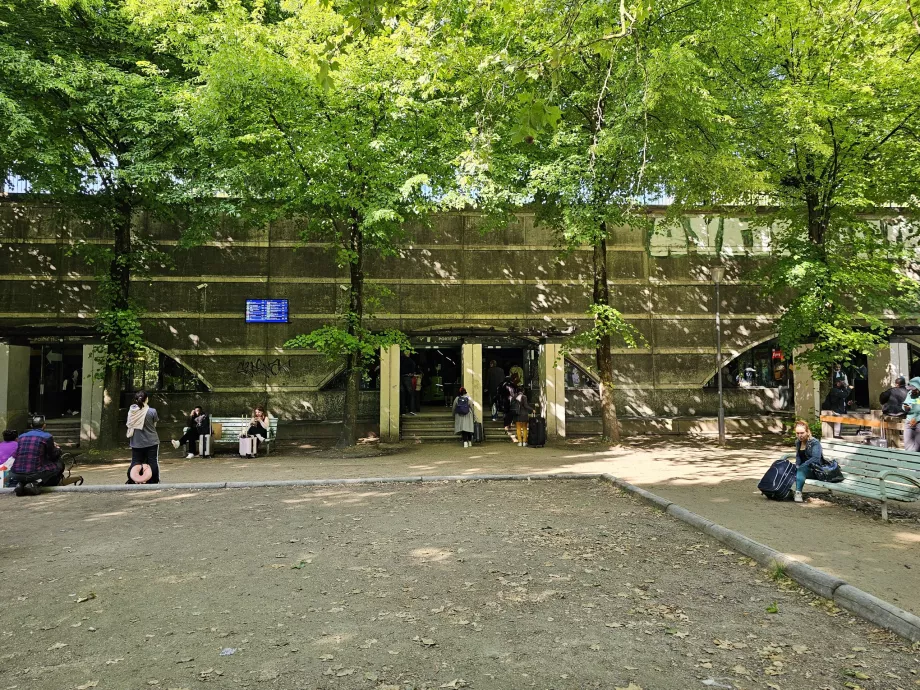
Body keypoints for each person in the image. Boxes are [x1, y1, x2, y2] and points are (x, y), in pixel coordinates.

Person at [9, 415, 71, 496]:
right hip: (33, 472)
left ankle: (21, 484)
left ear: (31, 426)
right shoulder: (47, 436)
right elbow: (52, 456)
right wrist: (58, 449)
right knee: (59, 465)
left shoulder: (21, 437)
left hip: (15, 473)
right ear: (44, 425)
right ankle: (37, 484)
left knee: (36, 467)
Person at [126, 390, 160, 485]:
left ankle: (132, 479)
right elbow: (154, 424)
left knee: (135, 461)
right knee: (152, 461)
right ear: (147, 399)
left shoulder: (131, 412)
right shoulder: (152, 411)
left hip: (136, 441)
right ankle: (153, 480)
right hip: (151, 440)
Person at [792, 419, 823, 503]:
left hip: (815, 470)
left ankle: (798, 493)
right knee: (786, 467)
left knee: (801, 470)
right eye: (797, 433)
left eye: (802, 433)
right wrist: (797, 465)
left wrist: (802, 466)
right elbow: (798, 456)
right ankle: (779, 490)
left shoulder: (814, 443)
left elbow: (816, 458)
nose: (800, 435)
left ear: (807, 432)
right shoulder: (798, 442)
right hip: (802, 469)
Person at [903, 378, 920, 452]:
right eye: (911, 389)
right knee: (908, 446)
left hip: (918, 423)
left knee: (917, 447)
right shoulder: (910, 393)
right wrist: (905, 407)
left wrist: (917, 419)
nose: (912, 391)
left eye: (914, 389)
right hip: (909, 422)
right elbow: (905, 404)